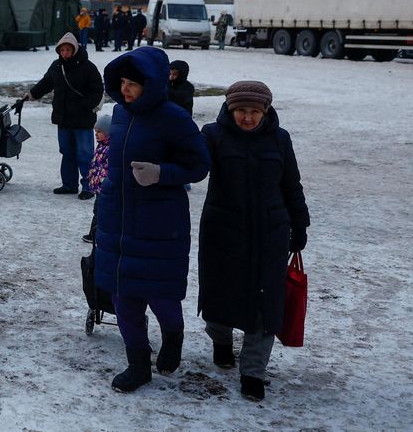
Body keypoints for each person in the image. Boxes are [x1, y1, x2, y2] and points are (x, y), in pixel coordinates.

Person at [94, 47, 211, 393]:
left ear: (154, 83)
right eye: (123, 82)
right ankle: (138, 364)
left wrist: (162, 173)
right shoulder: (118, 113)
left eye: (135, 83)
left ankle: (173, 336)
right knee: (123, 297)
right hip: (119, 217)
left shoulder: (174, 118)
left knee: (161, 296)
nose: (126, 89)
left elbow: (199, 165)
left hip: (160, 221)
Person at [198, 81, 310, 402]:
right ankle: (221, 340)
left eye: (254, 111)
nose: (247, 117)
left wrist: (299, 224)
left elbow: (292, 185)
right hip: (224, 232)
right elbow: (193, 166)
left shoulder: (279, 138)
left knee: (265, 304)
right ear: (230, 110)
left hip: (270, 233)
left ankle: (253, 371)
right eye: (241, 111)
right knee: (219, 301)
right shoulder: (213, 135)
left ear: (265, 111)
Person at [24, 32, 104, 199]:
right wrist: (30, 95)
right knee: (67, 152)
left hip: (82, 119)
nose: (65, 53)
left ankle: (89, 187)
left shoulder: (88, 67)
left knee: (84, 154)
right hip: (64, 118)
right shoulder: (56, 66)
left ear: (74, 49)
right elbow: (46, 83)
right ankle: (69, 184)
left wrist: (85, 106)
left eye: (68, 49)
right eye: (62, 50)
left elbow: (97, 90)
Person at [82, 113, 112, 243]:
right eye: (95, 131)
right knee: (98, 210)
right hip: (99, 186)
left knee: (101, 212)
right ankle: (94, 234)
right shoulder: (101, 146)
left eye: (99, 131)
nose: (96, 134)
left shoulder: (110, 148)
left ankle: (94, 235)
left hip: (104, 187)